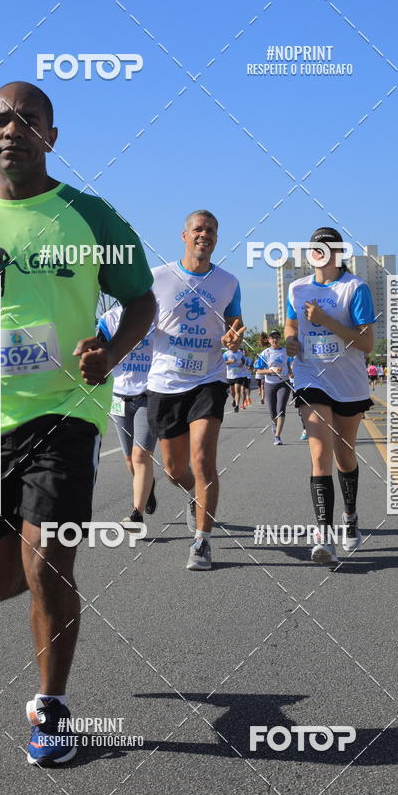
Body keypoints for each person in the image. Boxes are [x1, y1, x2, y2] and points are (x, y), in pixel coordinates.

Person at [0, 82, 156, 766]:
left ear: (52, 135)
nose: (12, 129)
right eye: (0, 119)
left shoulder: (90, 216)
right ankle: (36, 572)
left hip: (65, 412)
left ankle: (52, 707)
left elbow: (140, 300)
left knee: (48, 559)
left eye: (28, 119)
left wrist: (112, 352)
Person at [147, 210, 244, 571]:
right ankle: (193, 493)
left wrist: (233, 337)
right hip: (165, 382)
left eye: (212, 230)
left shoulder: (228, 282)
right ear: (184, 236)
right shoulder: (157, 278)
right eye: (199, 229)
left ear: (217, 238)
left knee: (202, 460)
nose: (205, 235)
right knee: (174, 470)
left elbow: (235, 323)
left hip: (209, 379)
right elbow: (139, 320)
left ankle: (202, 542)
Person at [284, 227, 376, 563]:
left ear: (339, 253)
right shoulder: (297, 288)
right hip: (311, 377)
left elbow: (366, 343)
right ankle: (324, 536)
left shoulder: (355, 288)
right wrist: (290, 341)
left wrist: (326, 320)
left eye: (329, 247)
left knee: (344, 455)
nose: (321, 252)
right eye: (316, 247)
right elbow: (291, 326)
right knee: (319, 452)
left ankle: (350, 517)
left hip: (348, 382)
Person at [97, 304, 157, 524]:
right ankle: (148, 485)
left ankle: (136, 515)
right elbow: (99, 351)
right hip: (119, 398)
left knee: (141, 456)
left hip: (149, 395)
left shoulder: (157, 315)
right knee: (130, 459)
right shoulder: (109, 319)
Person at [257, 329, 290, 446]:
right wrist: (272, 371)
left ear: (280, 339)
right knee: (272, 412)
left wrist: (291, 372)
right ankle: (274, 424)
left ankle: (277, 436)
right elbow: (259, 370)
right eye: (272, 337)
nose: (275, 339)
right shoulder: (265, 353)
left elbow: (291, 364)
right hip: (269, 384)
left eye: (277, 337)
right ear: (269, 340)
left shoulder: (286, 352)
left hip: (284, 383)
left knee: (281, 409)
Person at [224, 342, 245, 412]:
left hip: (239, 374)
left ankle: (237, 405)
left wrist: (242, 364)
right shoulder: (226, 354)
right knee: (232, 391)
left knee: (237, 390)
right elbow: (221, 363)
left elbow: (243, 360)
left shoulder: (240, 353)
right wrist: (229, 362)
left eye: (236, 344)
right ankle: (234, 399)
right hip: (230, 375)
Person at [255, 332, 269, 403]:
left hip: (270, 371)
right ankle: (263, 397)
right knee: (262, 385)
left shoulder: (269, 348)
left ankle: (264, 397)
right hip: (263, 371)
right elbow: (258, 365)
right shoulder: (260, 350)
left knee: (264, 386)